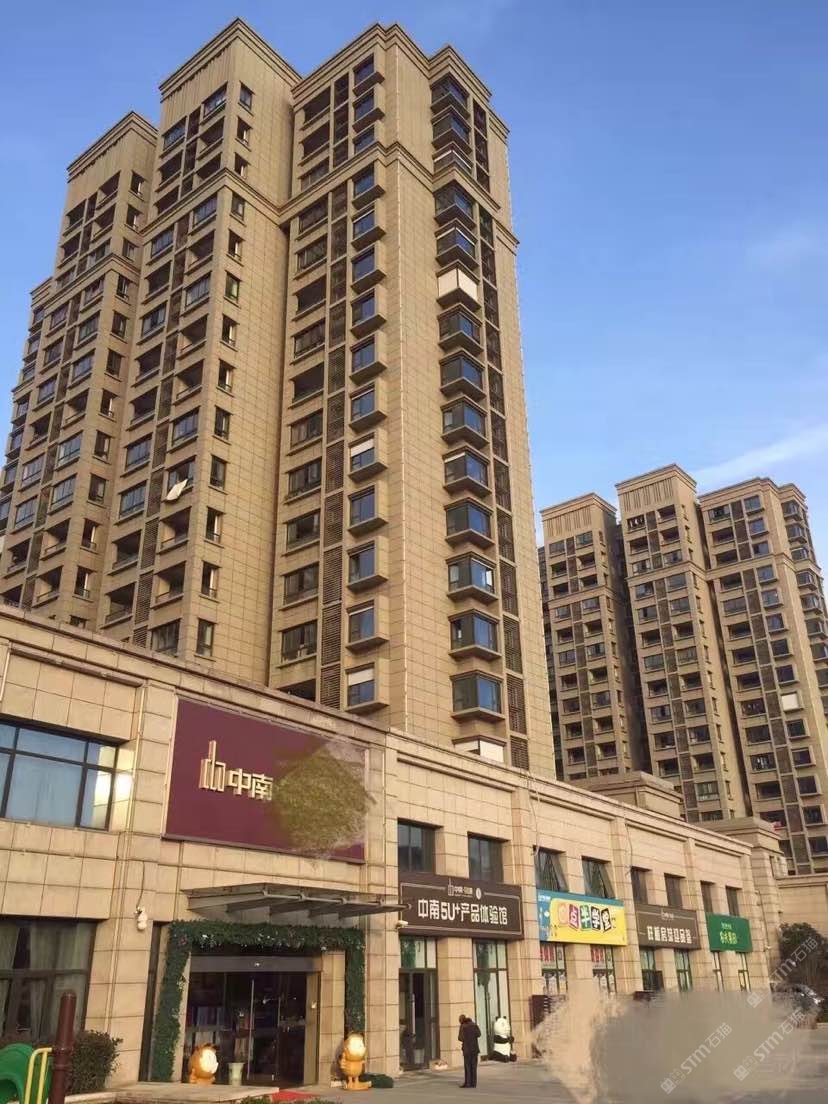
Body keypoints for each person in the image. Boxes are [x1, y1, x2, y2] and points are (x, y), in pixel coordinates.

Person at [458, 1014, 481, 1088]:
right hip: (475, 1049)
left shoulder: (463, 1026)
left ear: (461, 1020)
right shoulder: (474, 1025)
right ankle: (473, 1083)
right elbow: (479, 1034)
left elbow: (460, 1038)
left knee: (467, 1066)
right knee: (474, 1066)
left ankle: (468, 1083)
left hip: (467, 1049)